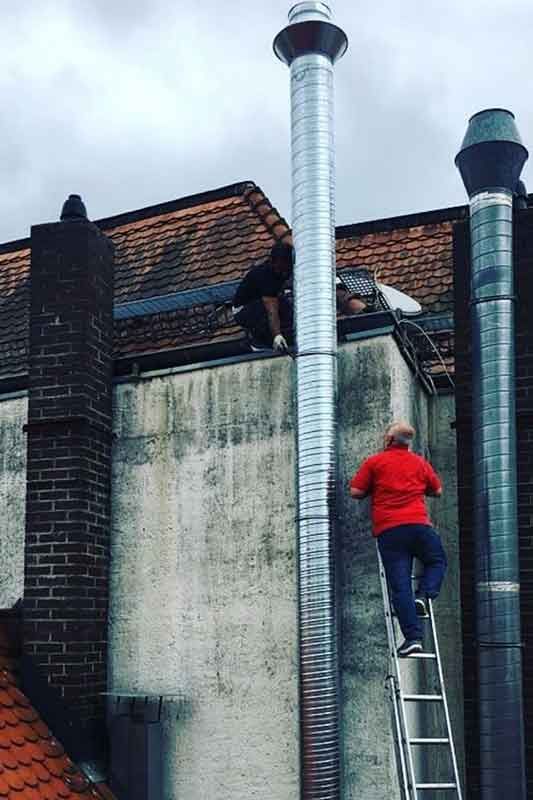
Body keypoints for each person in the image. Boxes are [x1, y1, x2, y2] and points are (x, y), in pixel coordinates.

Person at [348, 421, 447, 657]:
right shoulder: (419, 463)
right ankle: (423, 595)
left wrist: (376, 487)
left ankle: (413, 638)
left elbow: (355, 492)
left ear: (389, 440)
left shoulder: (375, 462)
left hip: (391, 531)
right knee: (437, 561)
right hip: (419, 527)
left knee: (400, 585)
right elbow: (437, 491)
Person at [232, 241, 367, 353]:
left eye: (286, 268)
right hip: (243, 310)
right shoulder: (266, 276)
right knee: (271, 310)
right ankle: (260, 342)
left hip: (266, 302)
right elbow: (271, 311)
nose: (283, 272)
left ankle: (288, 337)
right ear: (272, 262)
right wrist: (277, 335)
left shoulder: (287, 270)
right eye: (280, 268)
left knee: (288, 309)